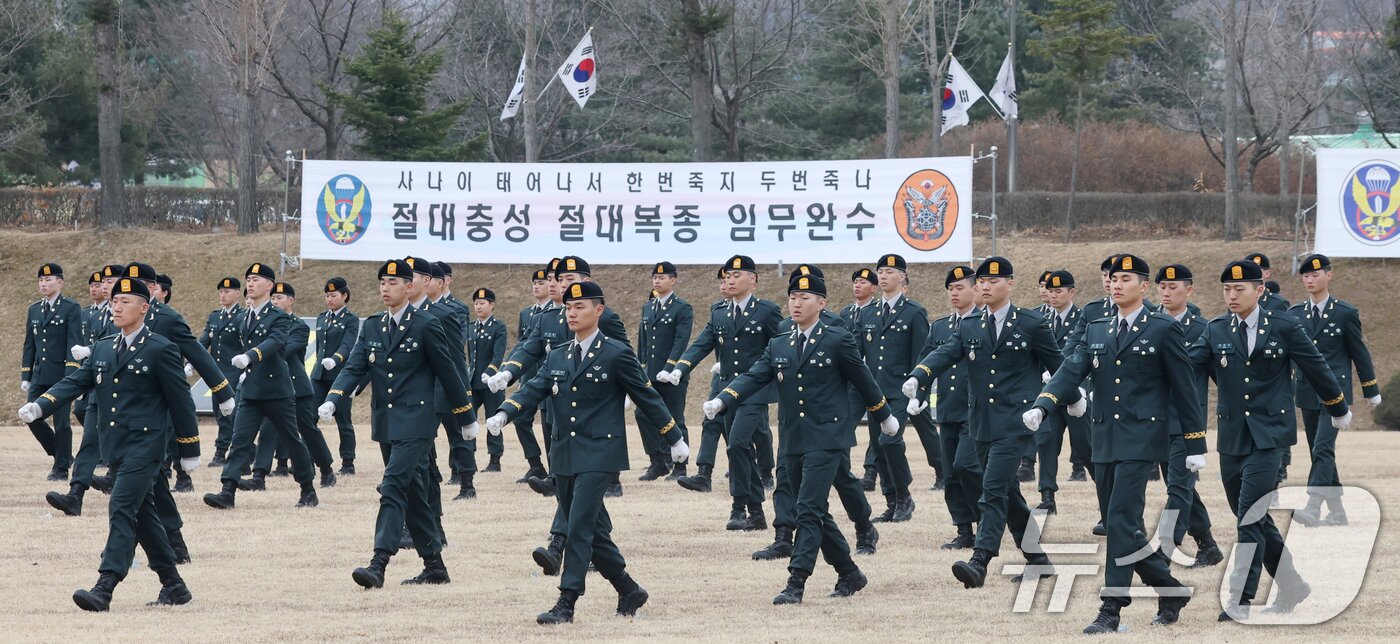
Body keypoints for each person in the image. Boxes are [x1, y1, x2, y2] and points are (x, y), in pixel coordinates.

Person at [485, 280, 689, 624]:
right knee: (593, 528)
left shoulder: (616, 353)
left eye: (580, 307)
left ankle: (566, 602)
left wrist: (674, 437)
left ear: (600, 310)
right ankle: (628, 588)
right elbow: (535, 388)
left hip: (600, 453)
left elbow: (646, 396)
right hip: (564, 452)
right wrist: (506, 412)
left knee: (578, 526)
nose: (572, 313)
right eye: (568, 308)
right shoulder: (559, 354)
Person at [1025, 254, 1202, 633]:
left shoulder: (1162, 328)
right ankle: (1170, 589)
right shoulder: (1097, 328)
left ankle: (1112, 607)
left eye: (1125, 278)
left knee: (1119, 520)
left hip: (1142, 440)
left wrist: (1195, 442)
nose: (1116, 284)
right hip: (1103, 437)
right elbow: (1071, 369)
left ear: (1143, 285)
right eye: (1112, 278)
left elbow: (1186, 390)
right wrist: (1044, 403)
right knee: (1124, 526)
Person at [703, 274, 895, 604]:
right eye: (793, 296)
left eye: (805, 297)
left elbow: (864, 381)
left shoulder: (838, 339)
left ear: (821, 303)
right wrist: (724, 398)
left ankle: (797, 581)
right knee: (816, 513)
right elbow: (754, 376)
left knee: (807, 508)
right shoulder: (779, 343)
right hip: (793, 437)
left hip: (828, 436)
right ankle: (849, 572)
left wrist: (884, 415)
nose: (796, 302)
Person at [18, 276, 201, 611]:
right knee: (143, 516)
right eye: (114, 301)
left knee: (120, 508)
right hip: (115, 446)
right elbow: (77, 381)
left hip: (147, 447)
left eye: (125, 302)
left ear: (144, 308)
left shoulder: (162, 349)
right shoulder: (104, 346)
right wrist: (41, 405)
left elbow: (182, 402)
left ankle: (105, 587)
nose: (116, 306)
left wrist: (189, 449)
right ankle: (174, 586)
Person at [1189, 259, 1351, 621]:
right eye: (1227, 289)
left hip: (1270, 437)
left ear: (1259, 290)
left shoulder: (1284, 325)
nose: (1232, 295)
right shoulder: (1215, 330)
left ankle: (1239, 600)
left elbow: (1315, 366)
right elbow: (1187, 367)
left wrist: (1338, 406)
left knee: (1249, 516)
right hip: (1232, 438)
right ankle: (1292, 584)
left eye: (1240, 289)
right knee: (1255, 518)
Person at [903, 257, 1064, 589]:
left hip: (1016, 423)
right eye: (983, 283)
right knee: (1005, 491)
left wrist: (1061, 399)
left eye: (993, 281)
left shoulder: (1031, 323)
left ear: (1010, 283)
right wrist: (920, 375)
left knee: (992, 490)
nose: (986, 287)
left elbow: (1060, 367)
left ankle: (980, 560)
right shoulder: (971, 324)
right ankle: (1038, 560)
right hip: (981, 423)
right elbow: (946, 352)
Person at [319, 259, 478, 589]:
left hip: (418, 422)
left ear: (409, 287)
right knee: (415, 494)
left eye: (393, 283)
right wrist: (335, 397)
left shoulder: (427, 324)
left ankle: (379, 563)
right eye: (382, 283)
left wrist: (465, 417)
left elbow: (449, 373)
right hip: (386, 423)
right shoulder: (374, 325)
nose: (385, 288)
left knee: (391, 486)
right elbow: (355, 367)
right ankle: (435, 567)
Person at [662, 254, 782, 532]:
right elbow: (702, 344)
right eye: (727, 275)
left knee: (738, 444)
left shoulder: (767, 311)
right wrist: (681, 367)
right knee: (740, 449)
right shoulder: (719, 312)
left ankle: (738, 507)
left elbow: (780, 345)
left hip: (755, 392)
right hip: (726, 392)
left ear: (753, 280)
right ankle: (757, 512)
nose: (729, 279)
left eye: (736, 275)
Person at [203, 263, 319, 510]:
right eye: (248, 279)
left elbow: (276, 342)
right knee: (240, 438)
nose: (250, 283)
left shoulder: (278, 316)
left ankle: (308, 488)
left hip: (277, 390)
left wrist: (250, 356)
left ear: (269, 285)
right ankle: (228, 490)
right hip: (252, 389)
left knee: (292, 440)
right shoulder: (245, 316)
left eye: (256, 279)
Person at [1288, 254, 1382, 527]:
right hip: (1306, 390)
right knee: (1321, 452)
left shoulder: (1345, 313)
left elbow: (1359, 353)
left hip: (1336, 393)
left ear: (1328, 275)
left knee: (1322, 448)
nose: (1309, 280)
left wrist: (1370, 389)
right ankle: (1338, 513)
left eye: (1315, 275)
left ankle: (1313, 506)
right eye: (1305, 276)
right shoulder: (1295, 314)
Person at [1152, 264, 1223, 568]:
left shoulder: (1204, 329)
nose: (1166, 293)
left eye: (1174, 287)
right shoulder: (1148, 323)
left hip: (1187, 424)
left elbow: (1222, 376)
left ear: (1189, 290)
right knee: (1182, 488)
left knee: (1178, 488)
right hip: (1155, 420)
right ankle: (1208, 545)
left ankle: (1164, 551)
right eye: (1162, 287)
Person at [859, 254, 930, 522]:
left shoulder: (914, 312)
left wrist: (919, 392)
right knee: (878, 446)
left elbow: (921, 357)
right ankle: (891, 502)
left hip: (901, 391)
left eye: (889, 271)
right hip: (875, 392)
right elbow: (857, 355)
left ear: (902, 277)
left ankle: (904, 496)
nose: (883, 275)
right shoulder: (867, 313)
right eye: (880, 271)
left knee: (890, 441)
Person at [920, 266, 984, 550]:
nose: (955, 293)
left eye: (960, 288)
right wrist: (918, 392)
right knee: (950, 473)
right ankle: (963, 529)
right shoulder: (940, 326)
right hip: (947, 408)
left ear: (974, 289)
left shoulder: (985, 322)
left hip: (976, 409)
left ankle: (985, 521)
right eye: (951, 289)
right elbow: (926, 361)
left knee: (967, 464)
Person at [1033, 270, 1090, 514]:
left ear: (1072, 292)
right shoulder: (1037, 318)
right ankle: (1047, 496)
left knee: (1086, 447)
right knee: (1046, 442)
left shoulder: (1083, 318)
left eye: (1059, 291)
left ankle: (1107, 493)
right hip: (1050, 394)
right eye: (1050, 291)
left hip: (1076, 393)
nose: (1053, 296)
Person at [22, 262, 84, 480]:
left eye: (48, 279)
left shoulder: (71, 308)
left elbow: (73, 343)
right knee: (30, 416)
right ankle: (62, 454)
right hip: (39, 375)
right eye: (40, 280)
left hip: (61, 376)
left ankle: (60, 469)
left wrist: (72, 375)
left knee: (62, 423)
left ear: (60, 282)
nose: (43, 283)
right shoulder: (34, 309)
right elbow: (30, 345)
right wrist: (26, 375)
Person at [635, 261, 694, 481]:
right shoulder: (648, 307)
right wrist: (641, 368)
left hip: (673, 375)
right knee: (643, 414)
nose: (657, 281)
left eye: (662, 277)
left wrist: (670, 368)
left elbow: (680, 341)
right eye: (655, 278)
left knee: (675, 418)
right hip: (651, 374)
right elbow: (644, 341)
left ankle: (680, 467)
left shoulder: (682, 308)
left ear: (673, 280)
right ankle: (657, 461)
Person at [465, 287, 509, 498]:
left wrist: (490, 373)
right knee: (469, 419)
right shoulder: (470, 327)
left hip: (491, 383)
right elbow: (469, 357)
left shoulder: (498, 326)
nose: (479, 306)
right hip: (473, 382)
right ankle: (469, 458)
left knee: (494, 420)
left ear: (492, 305)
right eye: (476, 303)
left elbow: (498, 355)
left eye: (483, 303)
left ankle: (495, 460)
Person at [511, 267, 554, 483]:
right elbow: (524, 345)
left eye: (542, 282)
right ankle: (536, 465)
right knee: (520, 418)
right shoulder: (527, 313)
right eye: (534, 283)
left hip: (550, 375)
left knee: (550, 424)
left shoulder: (559, 312)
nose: (537, 286)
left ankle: (554, 472)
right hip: (530, 376)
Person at [313, 277, 360, 474]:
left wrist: (336, 358)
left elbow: (348, 345)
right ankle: (308, 457)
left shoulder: (350, 319)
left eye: (333, 295)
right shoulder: (322, 317)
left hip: (339, 375)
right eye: (327, 296)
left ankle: (347, 462)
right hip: (319, 374)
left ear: (344, 296)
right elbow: (318, 347)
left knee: (343, 420)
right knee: (309, 417)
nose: (329, 299)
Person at [841, 268, 881, 492]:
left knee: (878, 427)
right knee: (845, 424)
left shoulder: (878, 311)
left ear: (873, 288)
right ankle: (843, 470)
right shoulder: (846, 313)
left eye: (863, 282)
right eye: (855, 281)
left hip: (874, 379)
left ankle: (871, 473)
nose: (857, 285)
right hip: (851, 381)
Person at [200, 277, 246, 466]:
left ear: (237, 293)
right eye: (220, 292)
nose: (223, 295)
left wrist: (246, 369)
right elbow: (204, 342)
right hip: (216, 374)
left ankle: (221, 452)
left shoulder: (243, 316)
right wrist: (191, 362)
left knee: (230, 415)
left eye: (227, 291)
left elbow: (247, 344)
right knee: (219, 414)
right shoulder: (215, 316)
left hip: (234, 373)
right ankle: (246, 450)